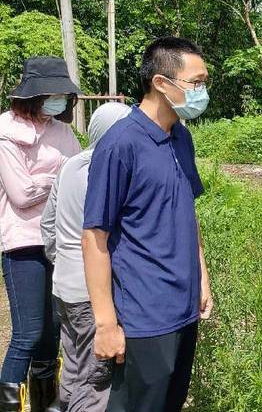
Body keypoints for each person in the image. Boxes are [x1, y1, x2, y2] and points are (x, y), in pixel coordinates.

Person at [82, 37, 213, 412]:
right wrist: (106, 323)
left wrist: (202, 277)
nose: (202, 92)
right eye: (196, 82)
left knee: (171, 401)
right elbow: (94, 237)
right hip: (145, 314)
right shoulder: (121, 145)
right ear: (161, 82)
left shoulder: (180, 138)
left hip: (184, 307)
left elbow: (187, 211)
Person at [0, 56, 82, 412]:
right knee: (28, 333)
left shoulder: (62, 132)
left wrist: (46, 181)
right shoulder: (5, 132)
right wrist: (56, 179)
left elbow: (79, 175)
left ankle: (44, 404)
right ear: (33, 95)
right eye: (52, 94)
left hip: (58, 241)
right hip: (22, 243)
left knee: (51, 337)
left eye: (63, 95)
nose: (58, 101)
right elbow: (19, 195)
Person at [41, 102, 131, 412]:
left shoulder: (69, 165)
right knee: (96, 381)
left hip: (63, 287)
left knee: (74, 366)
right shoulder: (108, 170)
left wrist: (62, 263)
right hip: (91, 293)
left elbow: (47, 226)